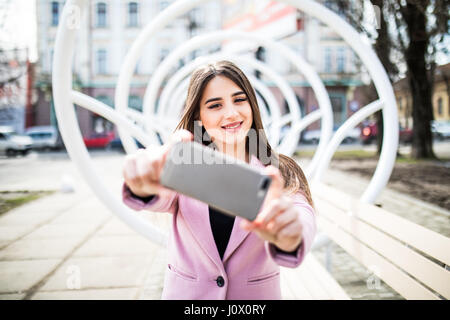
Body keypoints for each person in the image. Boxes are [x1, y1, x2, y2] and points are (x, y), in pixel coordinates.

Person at [122, 60, 316, 300]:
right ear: (199, 117)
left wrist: (291, 233)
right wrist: (143, 178)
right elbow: (157, 188)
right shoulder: (185, 166)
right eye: (215, 105)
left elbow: (300, 214)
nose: (231, 113)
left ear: (252, 105)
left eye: (239, 100)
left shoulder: (279, 170)